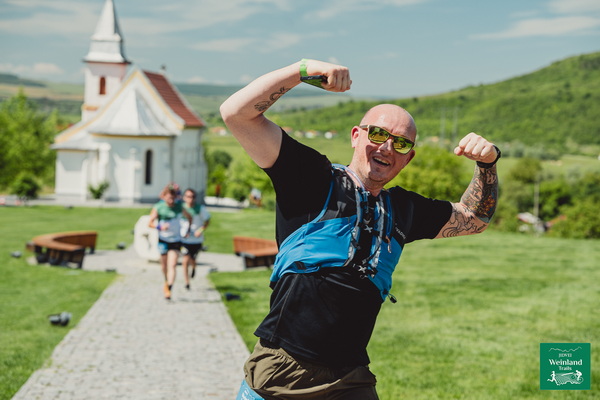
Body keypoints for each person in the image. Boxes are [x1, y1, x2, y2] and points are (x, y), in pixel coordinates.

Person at [220, 59, 499, 399]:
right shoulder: (311, 178)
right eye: (378, 134)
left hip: (350, 379)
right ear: (356, 136)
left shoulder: (404, 210)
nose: (387, 147)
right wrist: (302, 70)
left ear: (408, 158)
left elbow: (474, 218)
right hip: (282, 371)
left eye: (401, 143)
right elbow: (236, 114)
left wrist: (487, 163)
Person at [148, 183, 192, 300]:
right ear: (164, 197)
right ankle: (166, 281)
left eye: (173, 198)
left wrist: (187, 230)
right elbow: (150, 223)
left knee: (172, 264)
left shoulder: (179, 207)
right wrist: (160, 227)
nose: (171, 200)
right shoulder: (159, 207)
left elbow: (189, 217)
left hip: (175, 240)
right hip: (163, 239)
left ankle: (169, 287)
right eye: (169, 198)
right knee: (164, 266)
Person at [180, 188, 211, 288]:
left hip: (196, 239)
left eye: (192, 197)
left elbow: (207, 221)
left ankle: (193, 267)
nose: (190, 199)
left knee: (192, 259)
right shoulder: (181, 208)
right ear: (184, 197)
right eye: (188, 196)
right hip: (184, 238)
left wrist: (200, 230)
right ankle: (187, 282)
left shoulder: (200, 208)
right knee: (185, 259)